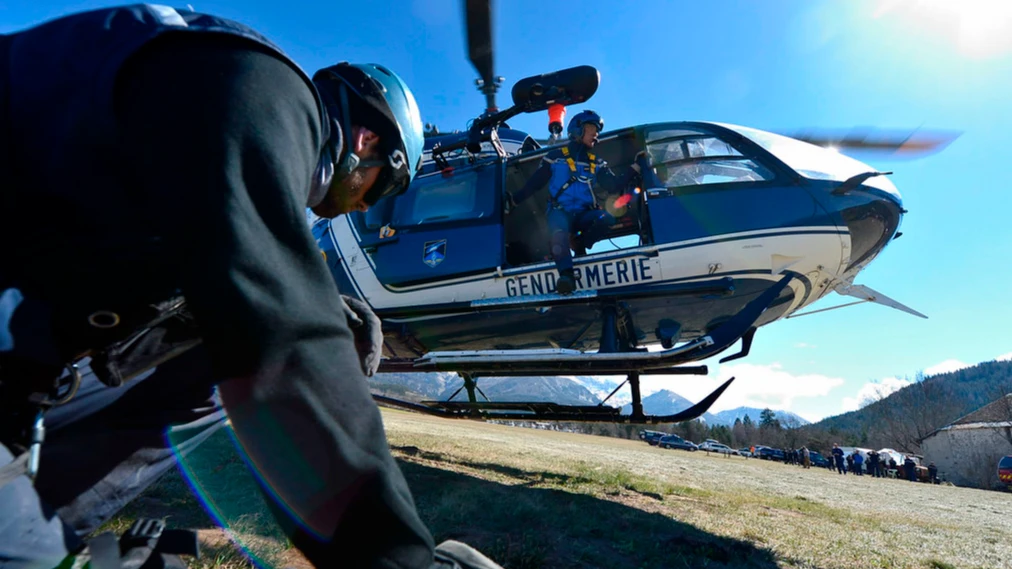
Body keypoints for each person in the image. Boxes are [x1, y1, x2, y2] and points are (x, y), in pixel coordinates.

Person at [0, 5, 501, 569]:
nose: (366, 204)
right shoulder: (261, 85)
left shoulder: (224, 138)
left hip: (26, 378)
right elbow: (281, 341)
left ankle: (43, 517)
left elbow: (228, 307)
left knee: (222, 359)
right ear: (365, 139)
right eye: (380, 188)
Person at [505, 110, 657, 294]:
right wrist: (514, 200)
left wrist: (636, 167)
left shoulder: (597, 162)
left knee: (605, 218)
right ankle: (566, 276)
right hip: (559, 211)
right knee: (558, 232)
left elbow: (613, 185)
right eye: (592, 128)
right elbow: (535, 184)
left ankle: (579, 244)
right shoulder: (554, 157)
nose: (596, 134)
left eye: (597, 130)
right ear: (577, 130)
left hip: (584, 214)